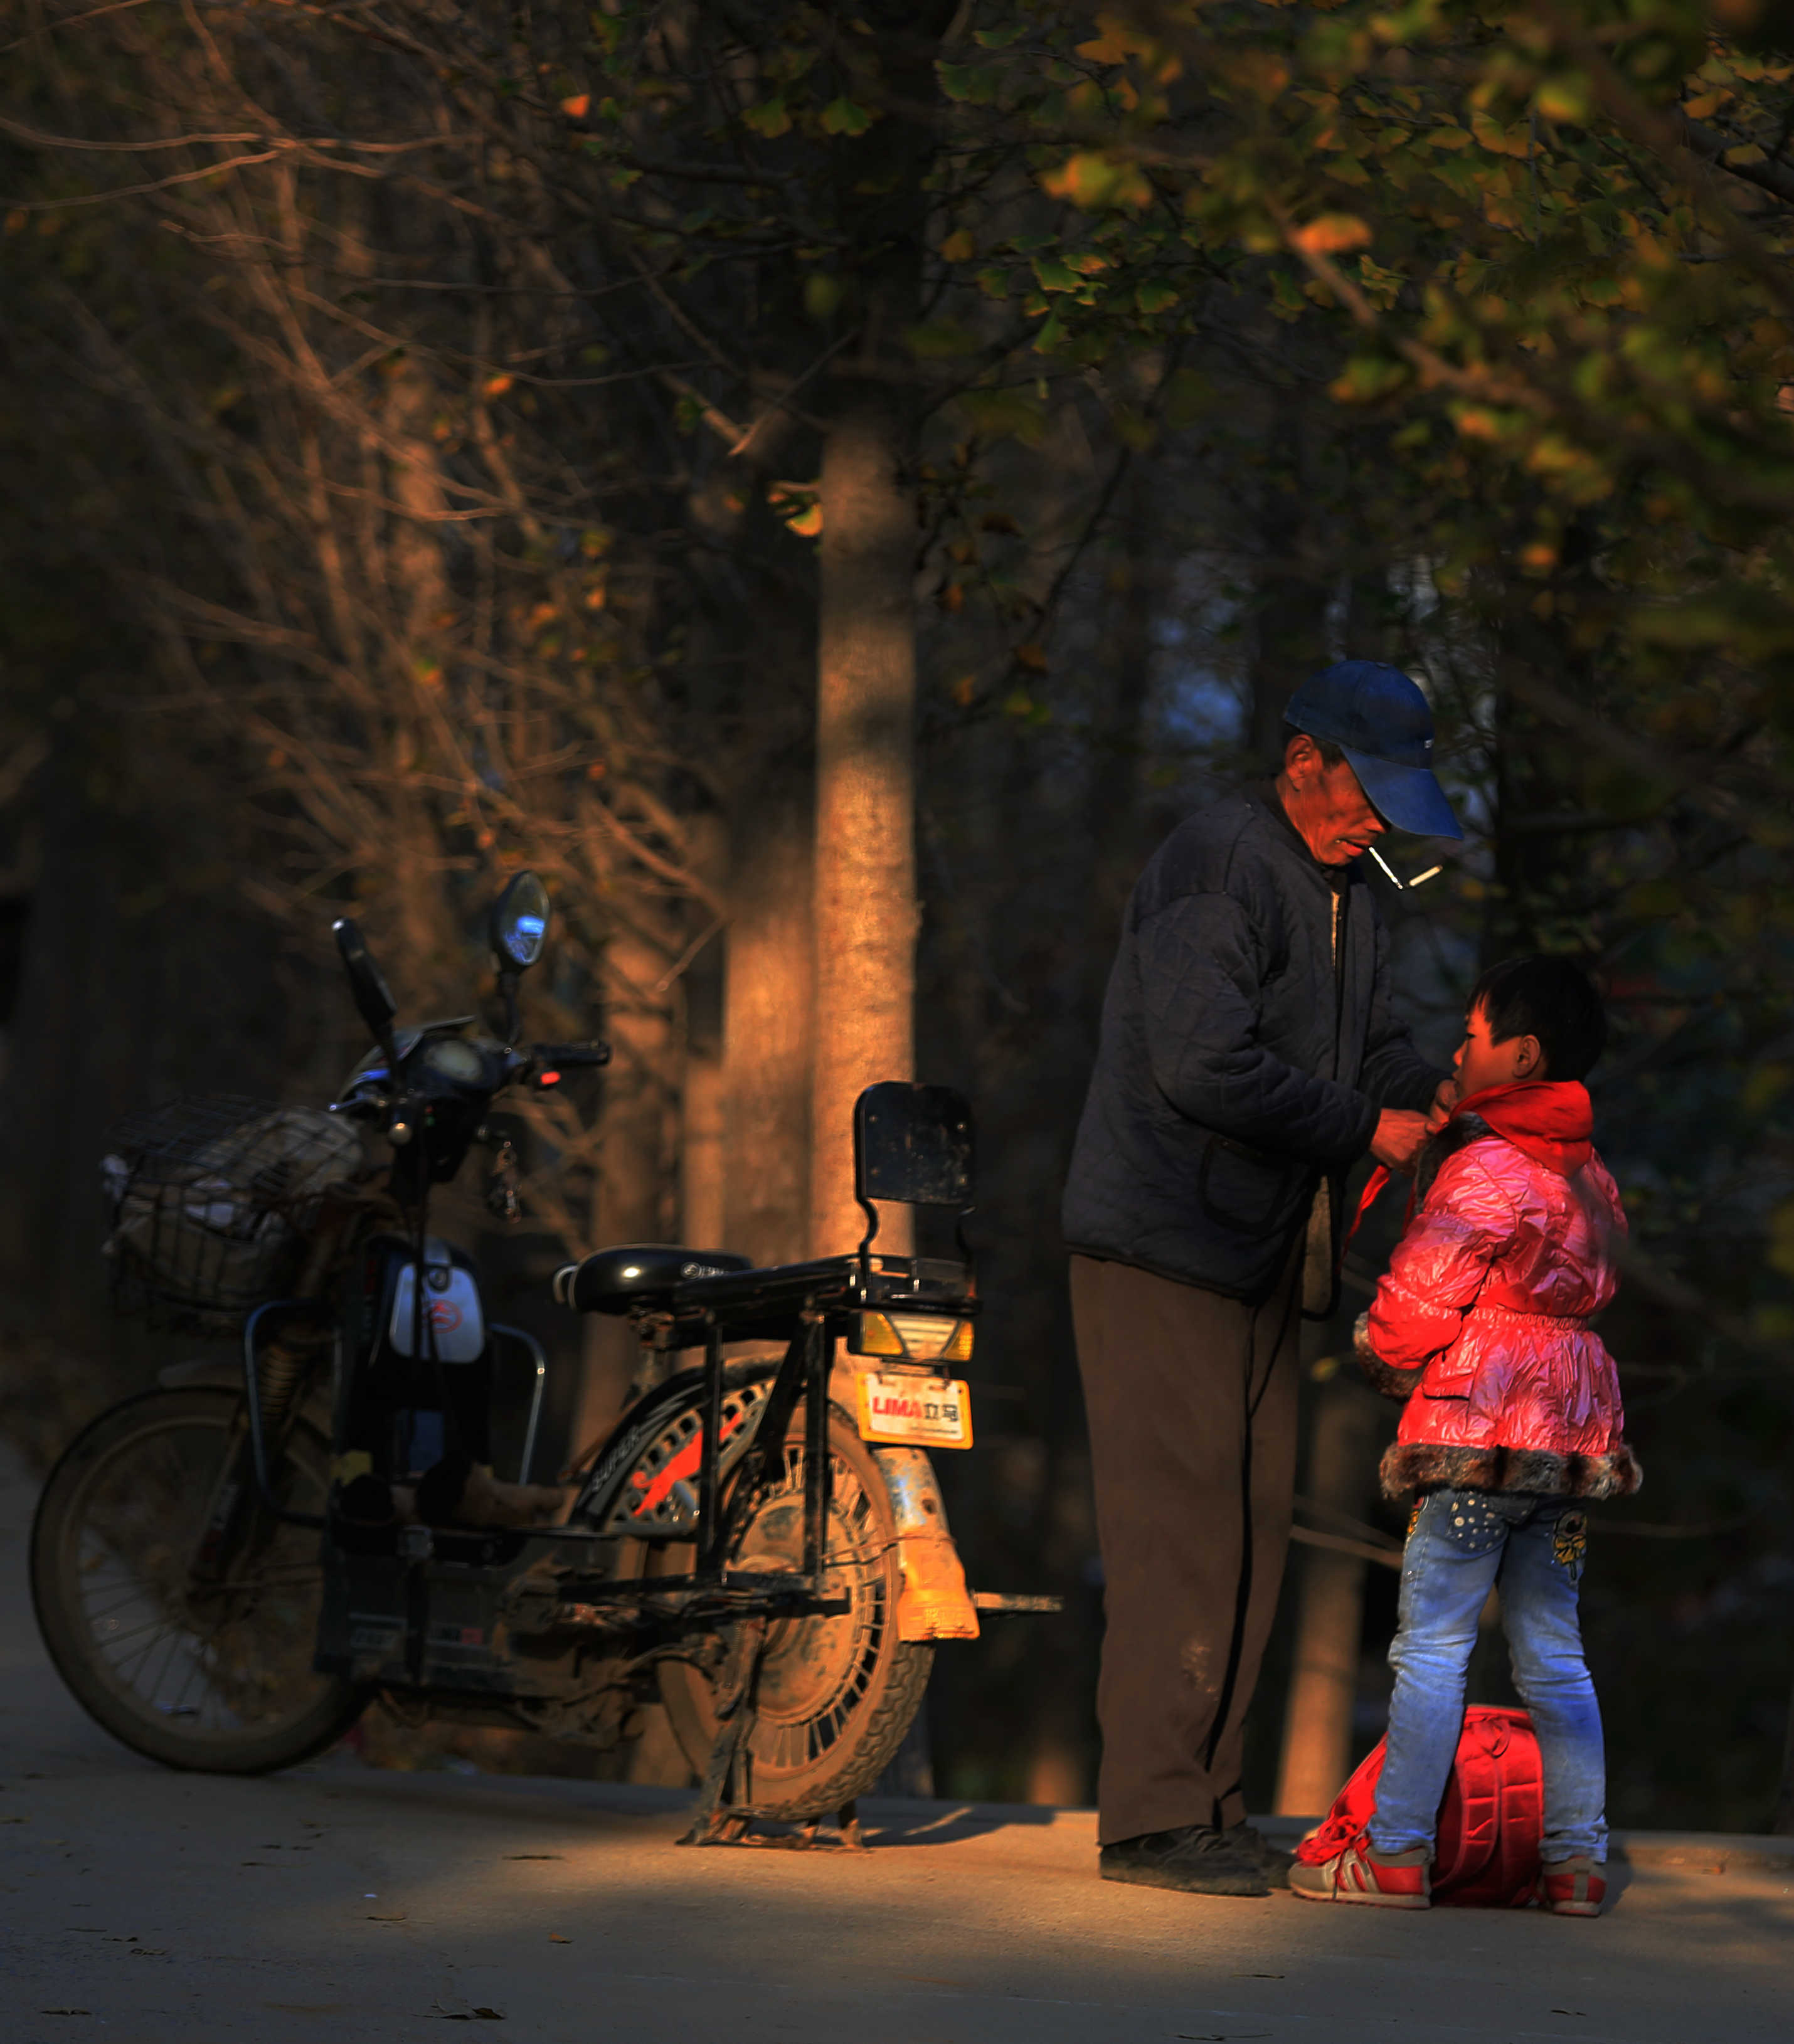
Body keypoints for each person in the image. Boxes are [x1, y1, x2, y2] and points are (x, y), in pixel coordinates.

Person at [1063, 660, 1462, 1897]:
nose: (1377, 820)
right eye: (1364, 792)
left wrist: (1442, 1091)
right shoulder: (1220, 864)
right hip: (1161, 1245)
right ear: (1302, 762)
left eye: (1391, 800)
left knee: (1243, 1534)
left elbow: (1372, 1048)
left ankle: (1207, 1808)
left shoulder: (1352, 888)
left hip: (1260, 1251)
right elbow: (1201, 1066)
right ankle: (1150, 1820)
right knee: (1178, 1536)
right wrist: (1364, 1127)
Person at [1291, 954, 1640, 1915]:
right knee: (1555, 1654)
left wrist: (1380, 1349)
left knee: (1432, 1649)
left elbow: (1418, 1301)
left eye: (1474, 1036)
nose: (1456, 1051)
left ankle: (1396, 1852)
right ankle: (1575, 1861)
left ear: (1521, 1055)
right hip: (1567, 1449)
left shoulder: (1487, 1168)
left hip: (1474, 1442)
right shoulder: (1594, 1178)